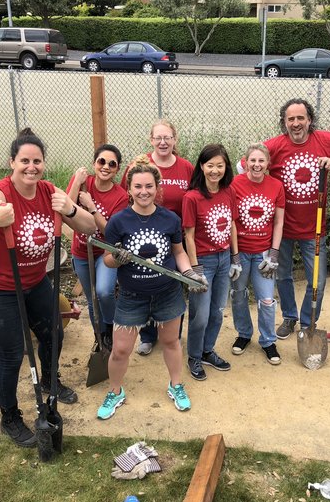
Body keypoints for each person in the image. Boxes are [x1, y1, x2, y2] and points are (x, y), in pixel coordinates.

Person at [0, 128, 96, 447]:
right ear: (12, 162)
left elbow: (89, 227)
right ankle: (10, 416)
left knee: (55, 332)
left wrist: (70, 209)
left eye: (37, 161)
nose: (31, 167)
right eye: (24, 160)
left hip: (34, 281)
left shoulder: (49, 192)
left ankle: (51, 383)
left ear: (43, 164)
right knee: (11, 354)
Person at [96, 157, 207, 420]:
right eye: (138, 186)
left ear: (158, 188)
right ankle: (115, 390)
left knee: (170, 341)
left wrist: (190, 273)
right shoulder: (118, 222)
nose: (143, 192)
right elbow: (107, 260)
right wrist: (117, 257)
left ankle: (175, 385)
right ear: (129, 189)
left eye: (149, 186)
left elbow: (178, 252)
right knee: (121, 349)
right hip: (131, 295)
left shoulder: (169, 219)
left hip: (167, 293)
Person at [263, 98, 330, 340]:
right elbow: (244, 164)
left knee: (317, 282)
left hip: (314, 230)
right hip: (283, 229)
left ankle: (308, 322)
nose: (296, 123)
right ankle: (290, 317)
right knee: (284, 275)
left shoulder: (326, 140)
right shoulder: (275, 146)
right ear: (284, 122)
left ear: (309, 120)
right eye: (291, 119)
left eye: (301, 118)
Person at [120, 120, 194, 356]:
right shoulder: (139, 166)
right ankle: (148, 336)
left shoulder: (186, 167)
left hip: (174, 235)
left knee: (172, 283)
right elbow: (126, 197)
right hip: (143, 236)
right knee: (147, 280)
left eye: (168, 137)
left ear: (175, 139)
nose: (163, 142)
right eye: (158, 138)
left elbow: (192, 199)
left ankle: (172, 334)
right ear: (151, 140)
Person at [183, 144, 239, 381]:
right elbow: (188, 235)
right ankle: (194, 355)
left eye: (220, 165)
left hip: (224, 258)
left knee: (217, 311)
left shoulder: (229, 192)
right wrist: (194, 269)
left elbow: (232, 225)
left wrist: (235, 257)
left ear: (225, 167)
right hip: (203, 261)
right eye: (210, 165)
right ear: (202, 167)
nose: (215, 170)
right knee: (201, 314)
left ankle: (208, 350)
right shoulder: (192, 197)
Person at [67, 144, 128, 348]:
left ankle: (110, 327)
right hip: (81, 252)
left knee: (103, 292)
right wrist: (77, 182)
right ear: (94, 163)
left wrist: (92, 207)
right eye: (101, 161)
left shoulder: (120, 196)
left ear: (117, 169)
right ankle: (99, 336)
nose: (106, 167)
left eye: (112, 164)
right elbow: (66, 207)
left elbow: (111, 232)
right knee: (92, 297)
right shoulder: (85, 184)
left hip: (104, 253)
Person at [229, 144, 285, 365]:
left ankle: (268, 340)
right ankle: (243, 334)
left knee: (267, 299)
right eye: (253, 160)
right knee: (239, 294)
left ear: (267, 163)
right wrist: (233, 256)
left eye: (261, 161)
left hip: (263, 253)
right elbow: (231, 221)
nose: (257, 165)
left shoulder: (276, 186)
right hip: (241, 251)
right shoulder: (236, 184)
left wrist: (274, 253)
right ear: (245, 161)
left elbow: (279, 221)